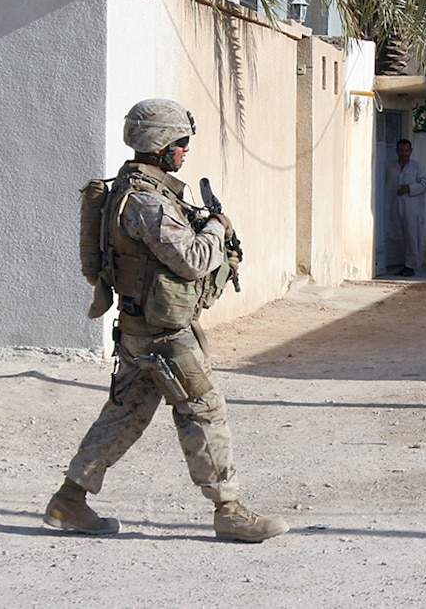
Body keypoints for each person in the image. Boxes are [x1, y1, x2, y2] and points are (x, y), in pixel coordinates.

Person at [43, 98, 288, 543]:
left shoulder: (131, 189)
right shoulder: (145, 200)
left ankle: (70, 499)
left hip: (141, 330)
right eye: (180, 143)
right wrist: (215, 226)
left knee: (125, 415)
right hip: (163, 336)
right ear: (159, 146)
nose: (184, 151)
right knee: (203, 411)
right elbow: (192, 260)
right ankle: (229, 510)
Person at [385, 138, 426, 277]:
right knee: (395, 234)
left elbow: (425, 185)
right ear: (397, 151)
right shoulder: (391, 167)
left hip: (412, 208)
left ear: (410, 151)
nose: (404, 153)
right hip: (394, 206)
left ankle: (410, 265)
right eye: (401, 151)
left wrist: (409, 188)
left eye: (406, 151)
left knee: (412, 236)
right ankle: (396, 263)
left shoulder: (417, 167)